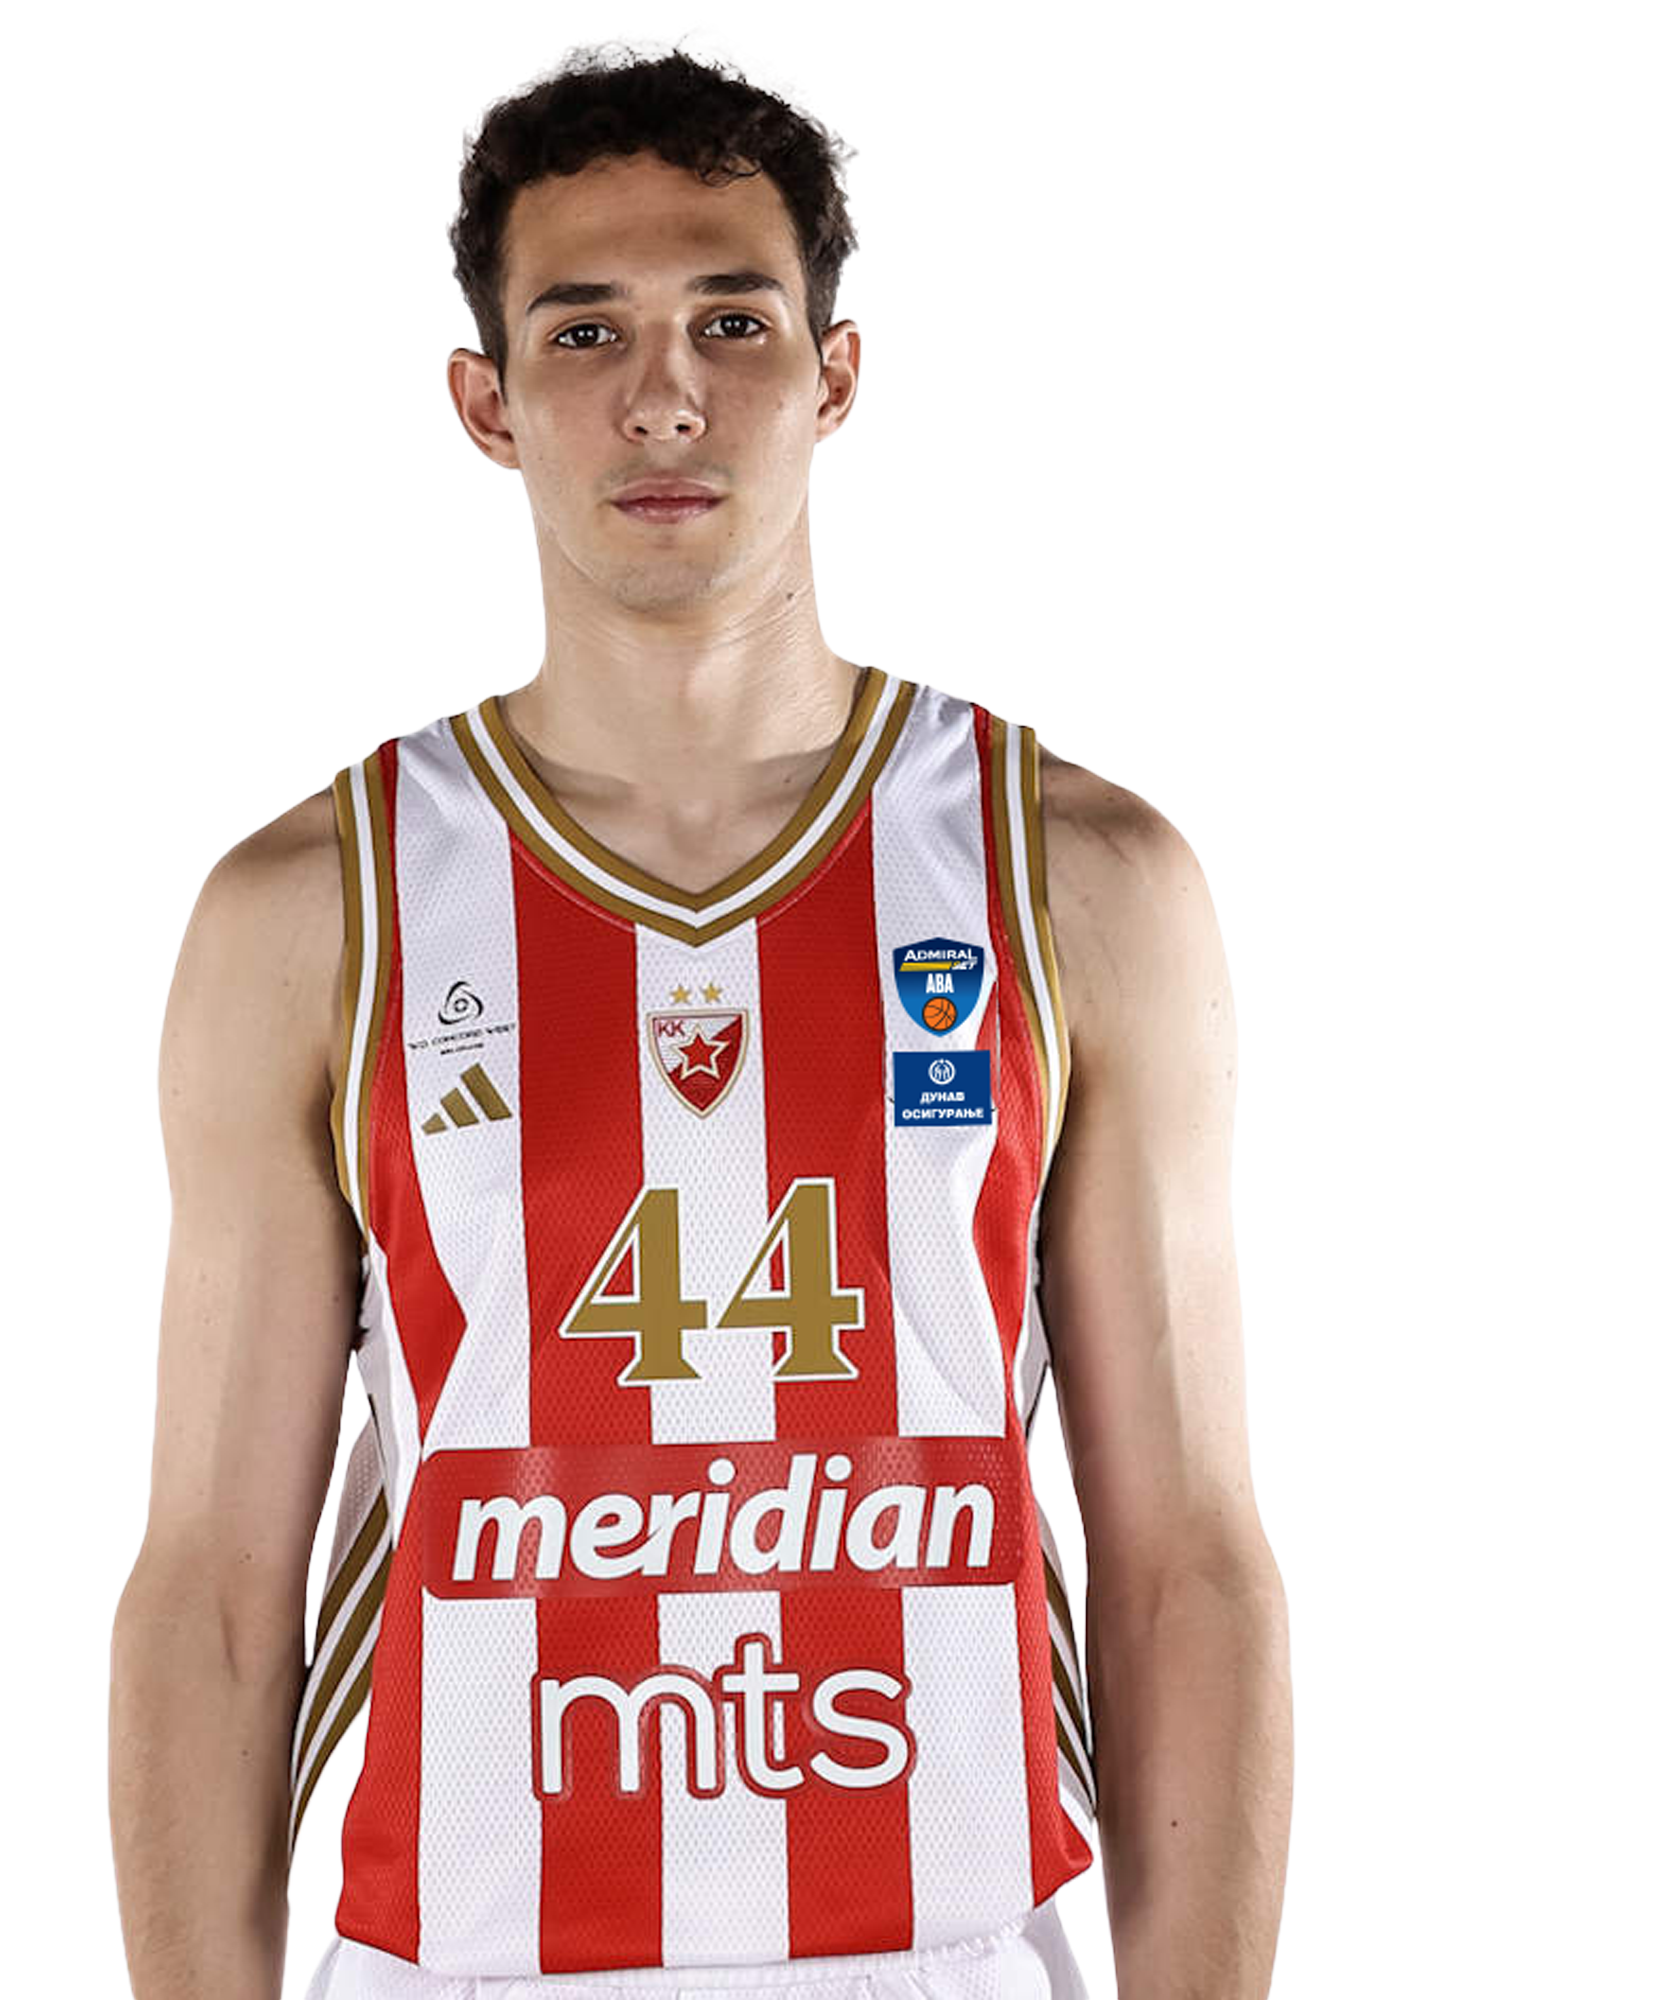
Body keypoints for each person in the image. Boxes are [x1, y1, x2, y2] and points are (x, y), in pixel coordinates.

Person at [108, 45, 1293, 2000]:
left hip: (935, 1944)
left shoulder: (1071, 877)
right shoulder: (319, 907)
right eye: (585, 331)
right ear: (488, 403)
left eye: (731, 321)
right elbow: (216, 1597)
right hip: (457, 1955)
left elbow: (1186, 1561)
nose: (663, 394)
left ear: (835, 377)